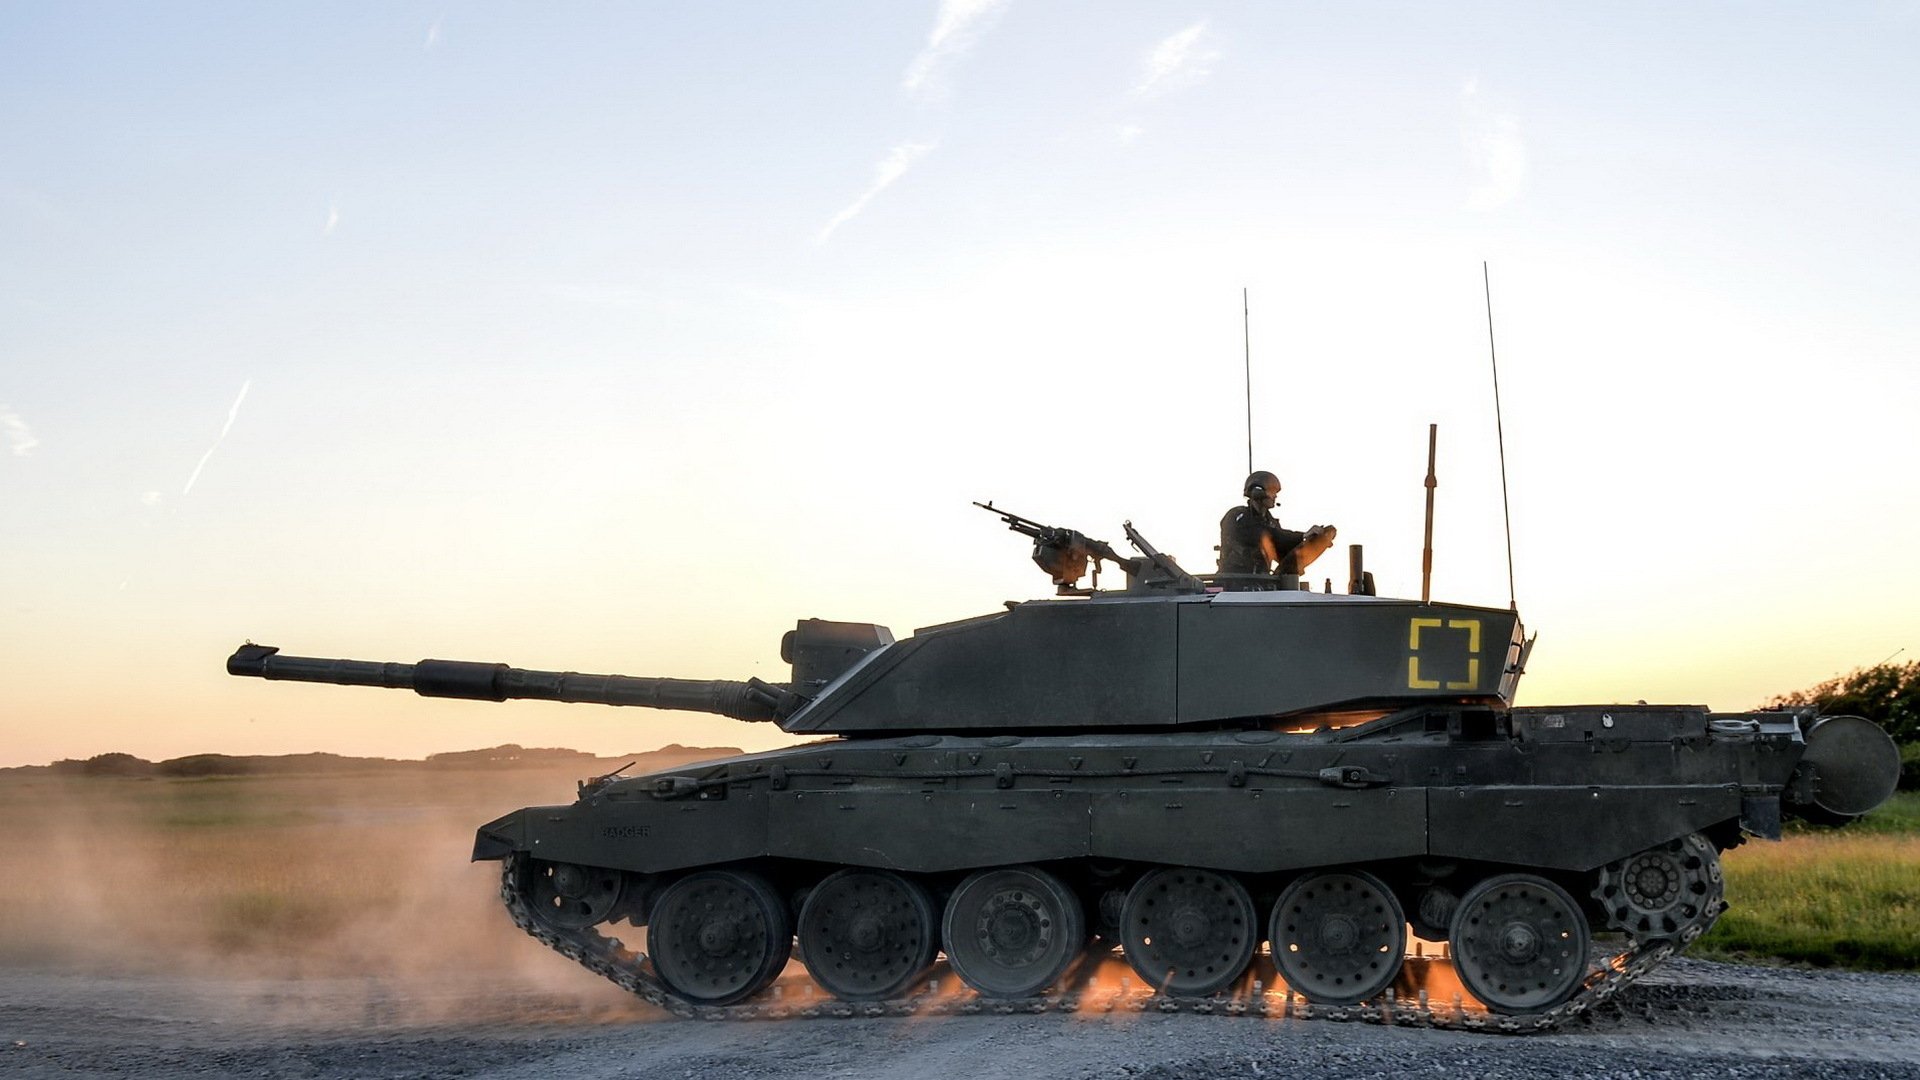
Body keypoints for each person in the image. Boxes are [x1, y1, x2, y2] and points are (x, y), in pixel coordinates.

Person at [1217, 470, 1335, 578]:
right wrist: (1302, 535)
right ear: (1257, 492)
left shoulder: (1270, 522)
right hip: (1233, 584)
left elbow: (1282, 550)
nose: (1275, 496)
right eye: (1272, 491)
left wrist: (1314, 543)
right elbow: (1263, 535)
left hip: (1261, 583)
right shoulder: (1237, 517)